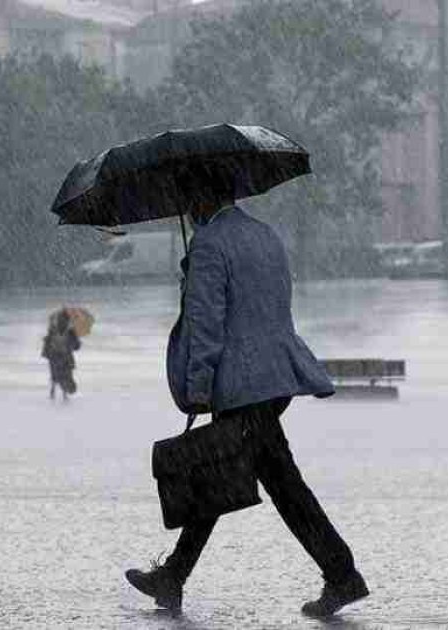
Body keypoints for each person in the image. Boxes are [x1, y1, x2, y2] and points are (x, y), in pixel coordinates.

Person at [124, 196, 368, 618]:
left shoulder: (209, 245)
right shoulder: (264, 234)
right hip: (274, 377)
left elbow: (206, 325)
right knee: (226, 473)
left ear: (200, 199)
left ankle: (342, 572)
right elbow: (265, 306)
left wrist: (197, 387)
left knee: (274, 485)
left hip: (241, 385)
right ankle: (175, 575)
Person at [41, 308, 81, 400]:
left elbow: (47, 342)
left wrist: (46, 353)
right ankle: (63, 394)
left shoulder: (53, 329)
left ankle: (53, 392)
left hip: (54, 356)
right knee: (66, 375)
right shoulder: (70, 330)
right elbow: (76, 346)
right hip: (65, 356)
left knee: (55, 375)